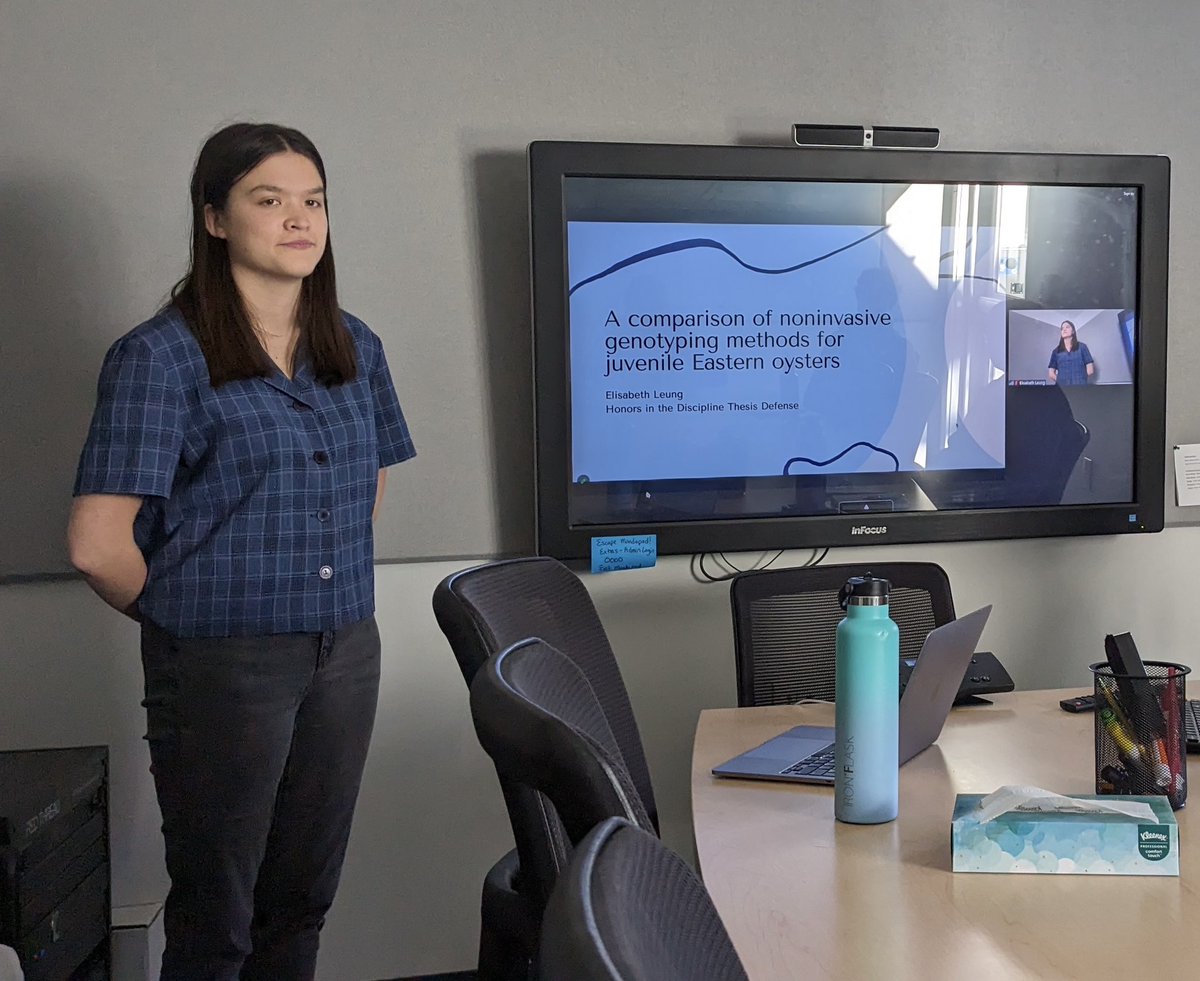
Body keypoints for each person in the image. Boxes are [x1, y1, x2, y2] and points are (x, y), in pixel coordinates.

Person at [67, 122, 415, 981]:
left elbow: (367, 484)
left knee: (300, 899)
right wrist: (191, 613)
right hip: (224, 665)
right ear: (216, 218)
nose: (299, 220)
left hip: (344, 650)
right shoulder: (160, 356)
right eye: (270, 200)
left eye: (313, 201)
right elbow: (96, 544)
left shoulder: (352, 345)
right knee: (219, 913)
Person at [1046, 319, 1094, 385]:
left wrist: (1080, 380)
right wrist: (1061, 381)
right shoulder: (1056, 351)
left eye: (1067, 327)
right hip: (1062, 390)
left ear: (1073, 331)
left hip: (1080, 388)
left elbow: (1090, 369)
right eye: (1062, 328)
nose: (1064, 329)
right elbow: (1051, 373)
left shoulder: (1082, 347)